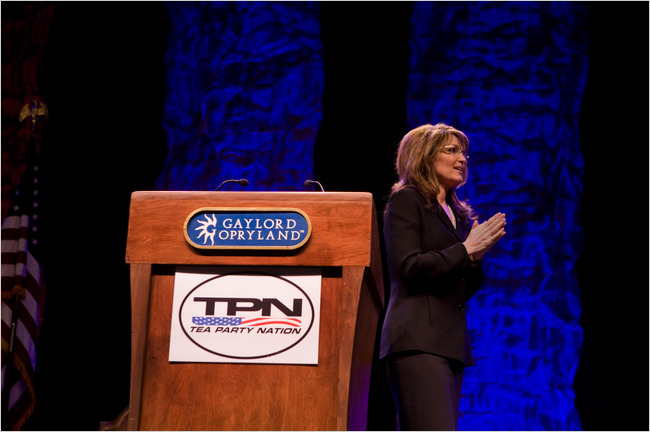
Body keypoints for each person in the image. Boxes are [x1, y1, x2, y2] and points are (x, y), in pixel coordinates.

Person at [380, 123, 506, 430]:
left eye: (464, 152)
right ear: (423, 157)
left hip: (447, 345)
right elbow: (409, 267)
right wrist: (464, 251)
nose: (462, 158)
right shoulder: (407, 201)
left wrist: (474, 258)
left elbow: (462, 287)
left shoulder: (455, 215)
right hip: (418, 340)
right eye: (451, 150)